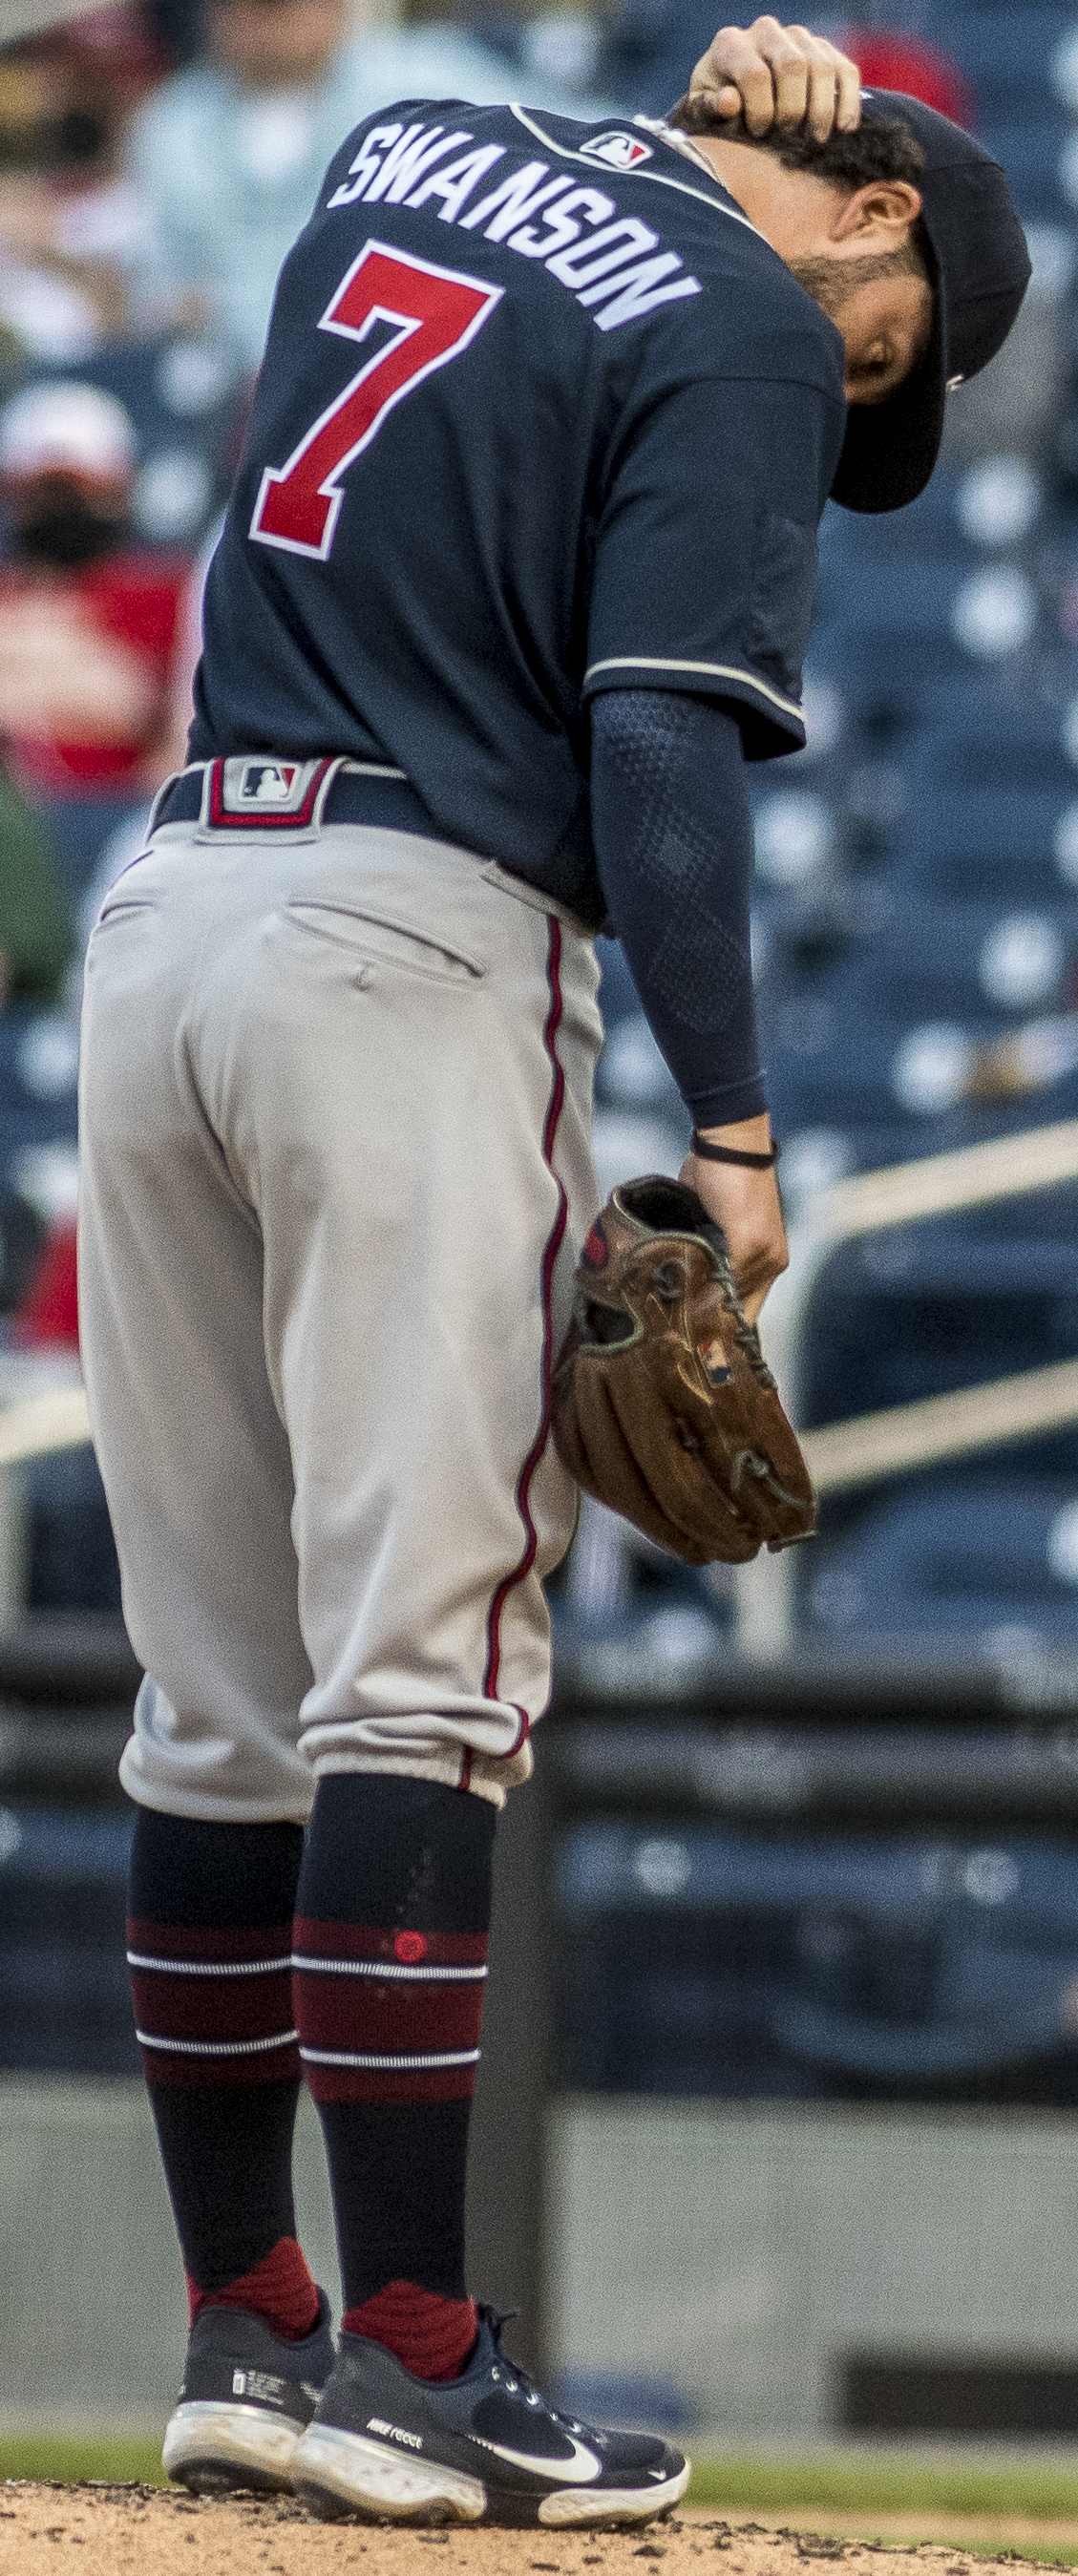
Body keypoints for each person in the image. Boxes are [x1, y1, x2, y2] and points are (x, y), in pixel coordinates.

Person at [76, 13, 1029, 2532]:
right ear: (874, 216)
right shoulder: (736, 313)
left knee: (214, 1693)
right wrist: (727, 1127)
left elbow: (548, 246)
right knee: (428, 1666)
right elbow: (655, 743)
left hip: (172, 912)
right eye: (885, 348)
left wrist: (719, 131)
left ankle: (242, 2326)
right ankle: (410, 2351)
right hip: (416, 937)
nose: (845, 400)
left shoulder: (412, 132)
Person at [125, 0, 604, 370]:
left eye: (279, 4)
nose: (258, 21)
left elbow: (573, 135)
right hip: (231, 386)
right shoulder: (171, 122)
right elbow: (157, 289)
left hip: (406, 350)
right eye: (237, 5)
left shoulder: (418, 72)